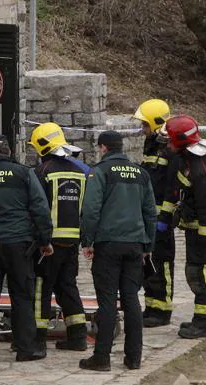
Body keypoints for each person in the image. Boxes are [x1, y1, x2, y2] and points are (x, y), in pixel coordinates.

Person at [0, 134, 53, 362]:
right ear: (10, 152)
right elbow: (40, 208)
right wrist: (45, 240)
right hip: (19, 243)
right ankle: (25, 349)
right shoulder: (24, 173)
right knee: (23, 296)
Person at [80, 130, 157, 371]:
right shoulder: (141, 174)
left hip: (108, 244)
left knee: (107, 302)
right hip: (135, 245)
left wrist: (87, 241)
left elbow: (91, 210)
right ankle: (133, 358)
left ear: (103, 148)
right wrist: (148, 246)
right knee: (131, 299)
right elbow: (150, 213)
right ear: (120, 147)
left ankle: (101, 357)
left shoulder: (99, 172)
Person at [158, 115, 206, 339]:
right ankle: (201, 317)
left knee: (202, 271)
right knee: (194, 271)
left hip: (203, 228)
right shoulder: (188, 157)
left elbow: (205, 203)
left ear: (180, 141)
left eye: (170, 141)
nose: (167, 145)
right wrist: (165, 217)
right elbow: (176, 191)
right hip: (195, 225)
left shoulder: (198, 166)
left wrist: (205, 233)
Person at [28, 123, 88, 353]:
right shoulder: (81, 171)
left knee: (41, 289)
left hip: (49, 244)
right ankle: (78, 336)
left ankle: (37, 339)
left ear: (42, 146)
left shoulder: (42, 172)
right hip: (72, 241)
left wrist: (42, 240)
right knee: (68, 287)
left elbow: (38, 210)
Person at [133, 99, 177, 327]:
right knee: (149, 262)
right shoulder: (151, 143)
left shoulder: (171, 148)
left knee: (163, 263)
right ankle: (151, 306)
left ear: (156, 122)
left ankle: (162, 310)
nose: (143, 130)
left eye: (145, 125)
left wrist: (166, 217)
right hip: (149, 216)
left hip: (162, 219)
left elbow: (173, 185)